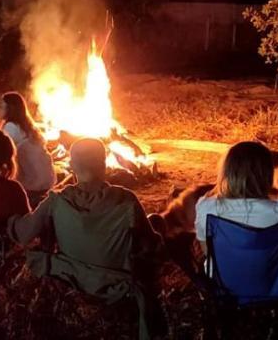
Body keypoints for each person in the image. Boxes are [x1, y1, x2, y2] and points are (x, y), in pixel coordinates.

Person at [8, 138, 165, 338]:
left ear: (72, 166)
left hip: (72, 278)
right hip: (116, 283)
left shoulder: (56, 201)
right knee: (157, 222)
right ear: (104, 164)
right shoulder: (126, 201)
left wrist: (11, 220)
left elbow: (24, 234)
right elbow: (150, 246)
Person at [194, 141, 278, 247]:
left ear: (227, 172)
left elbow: (206, 249)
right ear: (267, 175)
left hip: (224, 263)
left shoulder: (206, 207)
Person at [0, 92, 55, 202]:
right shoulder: (26, 125)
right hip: (46, 181)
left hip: (32, 186)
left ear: (10, 109)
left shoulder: (12, 127)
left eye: (1, 106)